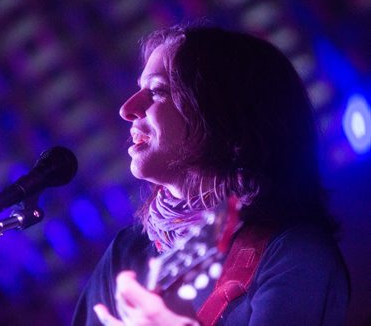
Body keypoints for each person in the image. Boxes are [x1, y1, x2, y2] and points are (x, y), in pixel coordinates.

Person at [72, 23, 349, 325]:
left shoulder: (295, 253)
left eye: (157, 91)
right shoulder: (127, 253)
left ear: (226, 116)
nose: (128, 109)